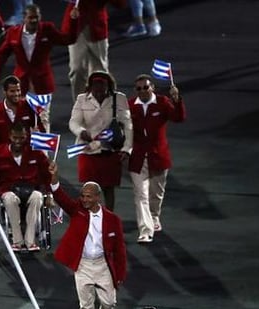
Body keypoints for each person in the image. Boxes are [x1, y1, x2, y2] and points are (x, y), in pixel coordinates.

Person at [50, 179, 126, 309]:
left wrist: (120, 275)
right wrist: (54, 182)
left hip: (102, 265)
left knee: (109, 302)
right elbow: (61, 199)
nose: (84, 200)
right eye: (82, 196)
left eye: (88, 197)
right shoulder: (77, 210)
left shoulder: (113, 220)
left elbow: (119, 250)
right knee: (86, 306)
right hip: (83, 266)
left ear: (98, 198)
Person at [0, 3, 79, 131]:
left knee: (42, 118)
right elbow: (1, 55)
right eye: (31, 17)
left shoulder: (48, 29)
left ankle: (43, 151)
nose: (34, 20)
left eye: (37, 17)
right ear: (24, 17)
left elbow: (68, 39)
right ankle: (26, 150)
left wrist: (73, 21)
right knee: (21, 118)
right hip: (21, 85)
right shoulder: (13, 33)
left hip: (43, 83)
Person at [128, 74, 184, 243]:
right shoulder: (130, 106)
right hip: (137, 157)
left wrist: (177, 100)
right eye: (139, 88)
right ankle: (145, 231)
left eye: (146, 87)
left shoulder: (162, 102)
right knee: (140, 194)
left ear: (152, 87)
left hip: (158, 155)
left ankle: (154, 216)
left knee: (156, 192)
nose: (143, 91)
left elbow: (178, 118)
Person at [0, 122, 53, 252]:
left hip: (31, 190)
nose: (18, 141)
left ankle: (30, 242)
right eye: (15, 138)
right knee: (9, 200)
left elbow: (46, 174)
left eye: (22, 138)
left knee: (38, 197)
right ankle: (17, 242)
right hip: (8, 191)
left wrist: (49, 194)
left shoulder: (36, 152)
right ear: (10, 136)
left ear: (27, 136)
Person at [69, 71, 132, 211]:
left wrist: (127, 149)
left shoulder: (119, 99)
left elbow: (128, 125)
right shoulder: (82, 99)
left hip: (109, 150)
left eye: (102, 90)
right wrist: (80, 131)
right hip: (88, 150)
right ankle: (87, 220)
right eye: (95, 90)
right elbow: (73, 122)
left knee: (108, 189)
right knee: (88, 190)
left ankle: (107, 219)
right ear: (90, 87)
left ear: (108, 87)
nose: (98, 94)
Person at [63, 0, 126, 99]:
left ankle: (102, 105)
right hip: (76, 25)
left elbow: (120, 4)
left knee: (100, 72)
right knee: (76, 70)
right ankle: (80, 105)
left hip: (97, 26)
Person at [0, 75, 41, 151]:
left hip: (26, 153)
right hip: (4, 155)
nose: (16, 94)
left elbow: (40, 128)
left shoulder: (29, 106)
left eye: (18, 90)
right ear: (4, 92)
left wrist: (37, 134)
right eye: (12, 91)